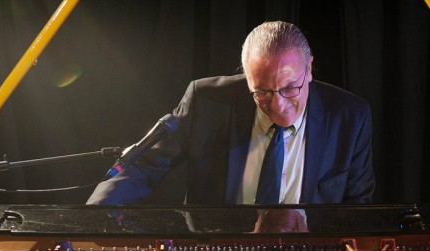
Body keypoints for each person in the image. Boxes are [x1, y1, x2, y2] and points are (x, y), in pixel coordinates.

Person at [87, 21, 375, 206]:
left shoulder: (350, 117)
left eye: (289, 88)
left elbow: (357, 207)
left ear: (309, 69)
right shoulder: (206, 100)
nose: (277, 105)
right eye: (261, 92)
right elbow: (142, 166)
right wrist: (93, 220)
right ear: (246, 77)